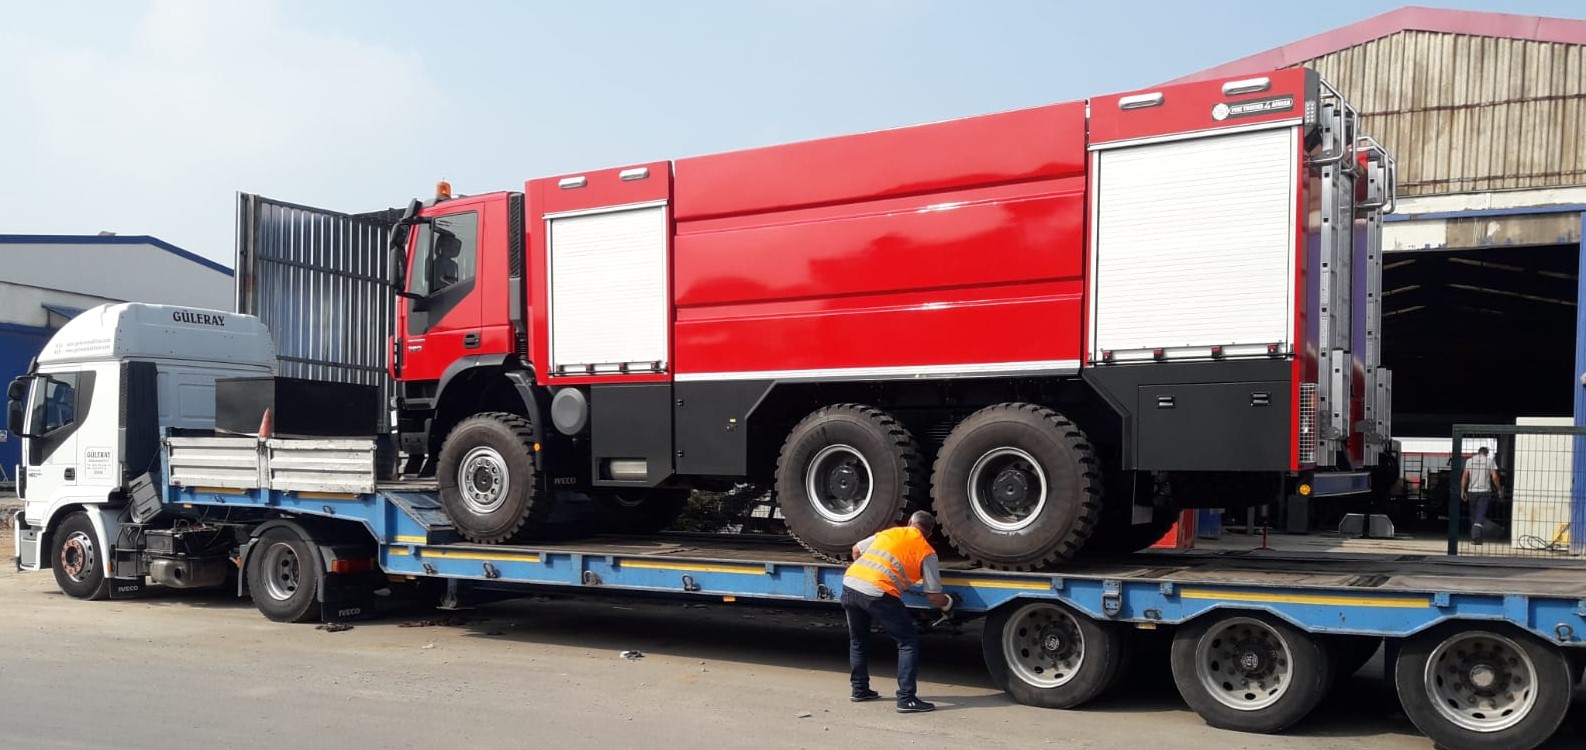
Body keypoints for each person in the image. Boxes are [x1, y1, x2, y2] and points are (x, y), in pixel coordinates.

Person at [841, 510, 953, 713]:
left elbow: (856, 550)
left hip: (850, 584)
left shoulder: (889, 533)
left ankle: (859, 690)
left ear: (910, 522)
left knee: (858, 640)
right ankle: (906, 698)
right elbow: (933, 595)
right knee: (907, 641)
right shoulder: (927, 551)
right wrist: (949, 604)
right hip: (878, 592)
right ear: (929, 533)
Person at [1461, 446, 1503, 544]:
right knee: (1480, 514)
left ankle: (1475, 537)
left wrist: (1463, 490)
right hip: (1484, 491)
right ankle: (1476, 537)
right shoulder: (1490, 461)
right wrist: (1499, 489)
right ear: (1487, 453)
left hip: (1471, 491)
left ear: (1478, 452)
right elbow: (1495, 477)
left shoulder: (1469, 461)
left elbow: (1465, 476)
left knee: (1473, 514)